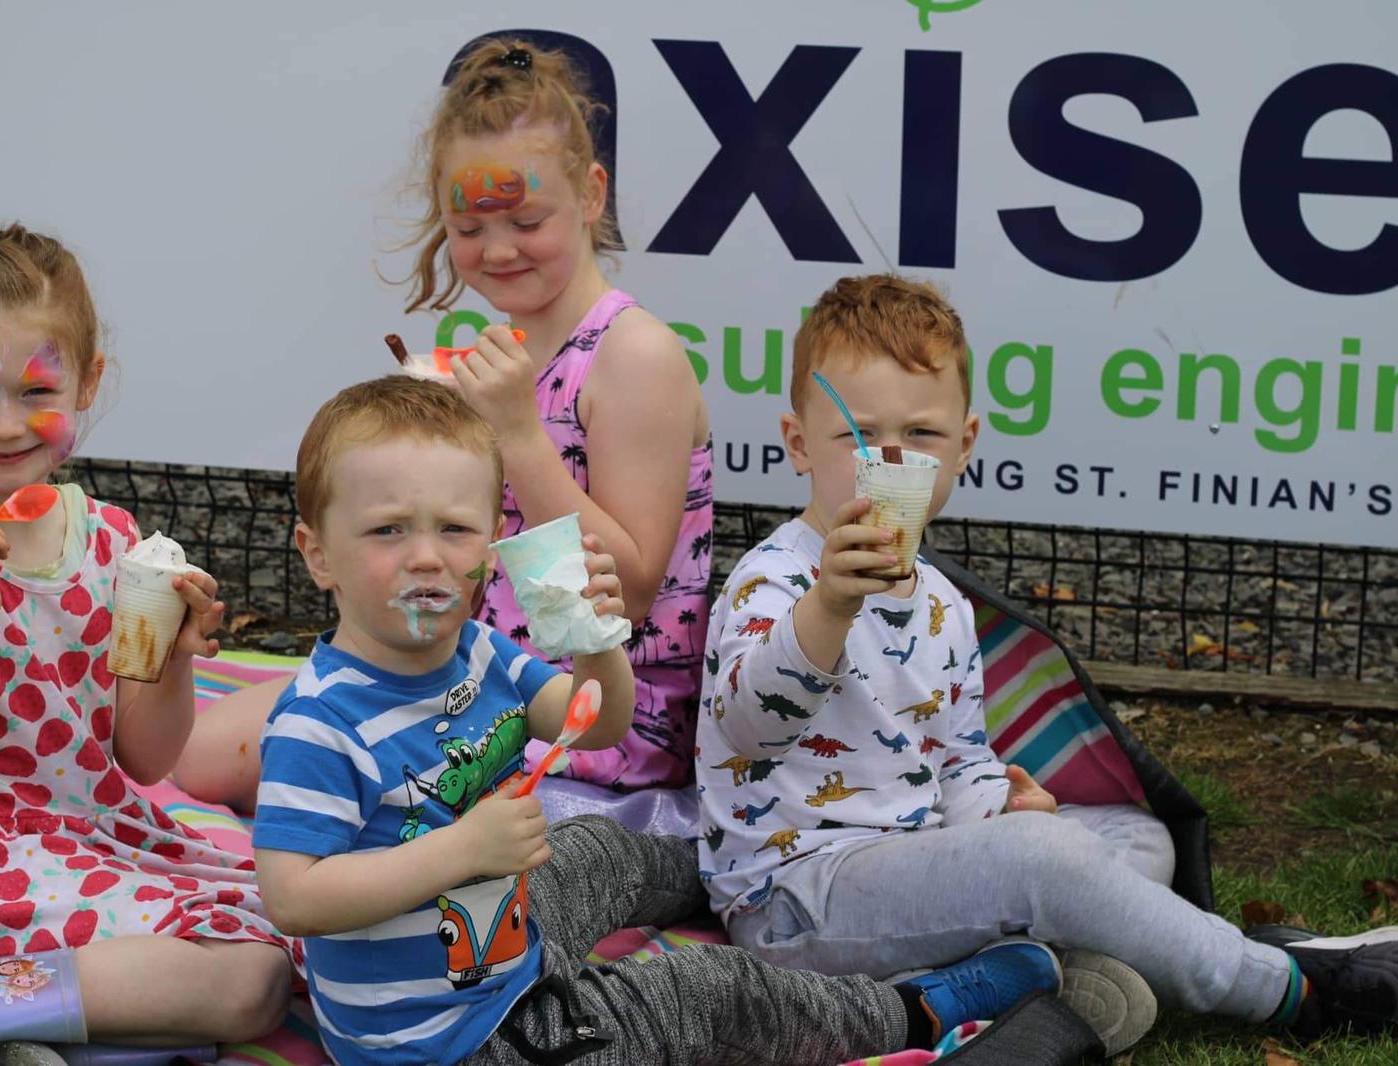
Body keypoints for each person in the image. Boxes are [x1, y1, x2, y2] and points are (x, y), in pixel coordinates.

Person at [252, 375, 1085, 1066]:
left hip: (504, 934)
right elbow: (294, 897)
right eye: (387, 530)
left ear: (491, 545)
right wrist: (462, 851)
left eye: (454, 529)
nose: (426, 555)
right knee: (705, 993)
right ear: (317, 553)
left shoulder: (478, 653)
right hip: (455, 1041)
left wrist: (596, 640)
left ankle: (739, 875)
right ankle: (913, 1012)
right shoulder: (320, 723)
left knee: (598, 849)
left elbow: (598, 724)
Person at [697, 273, 1398, 1054]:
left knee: (1135, 835)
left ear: (965, 444)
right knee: (1052, 862)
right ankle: (1289, 988)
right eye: (857, 436)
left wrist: (1002, 809)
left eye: (921, 435)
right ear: (798, 442)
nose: (889, 460)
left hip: (914, 863)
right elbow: (751, 730)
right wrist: (830, 605)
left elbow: (957, 762)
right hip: (798, 904)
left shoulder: (943, 601)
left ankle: (1033, 978)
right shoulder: (775, 579)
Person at [175, 36, 712, 813]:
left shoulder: (635, 355)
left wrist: (517, 435)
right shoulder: (510, 348)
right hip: (461, 672)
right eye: (469, 226)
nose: (498, 249)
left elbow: (626, 592)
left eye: (526, 219)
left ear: (593, 195)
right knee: (196, 757)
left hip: (590, 721)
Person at [0, 225, 296, 1066]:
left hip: (93, 837)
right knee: (245, 983)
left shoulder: (111, 539)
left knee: (276, 948)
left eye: (37, 389)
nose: (4, 425)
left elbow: (145, 759)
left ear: (88, 380)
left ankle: (1, 1025)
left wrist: (174, 659)